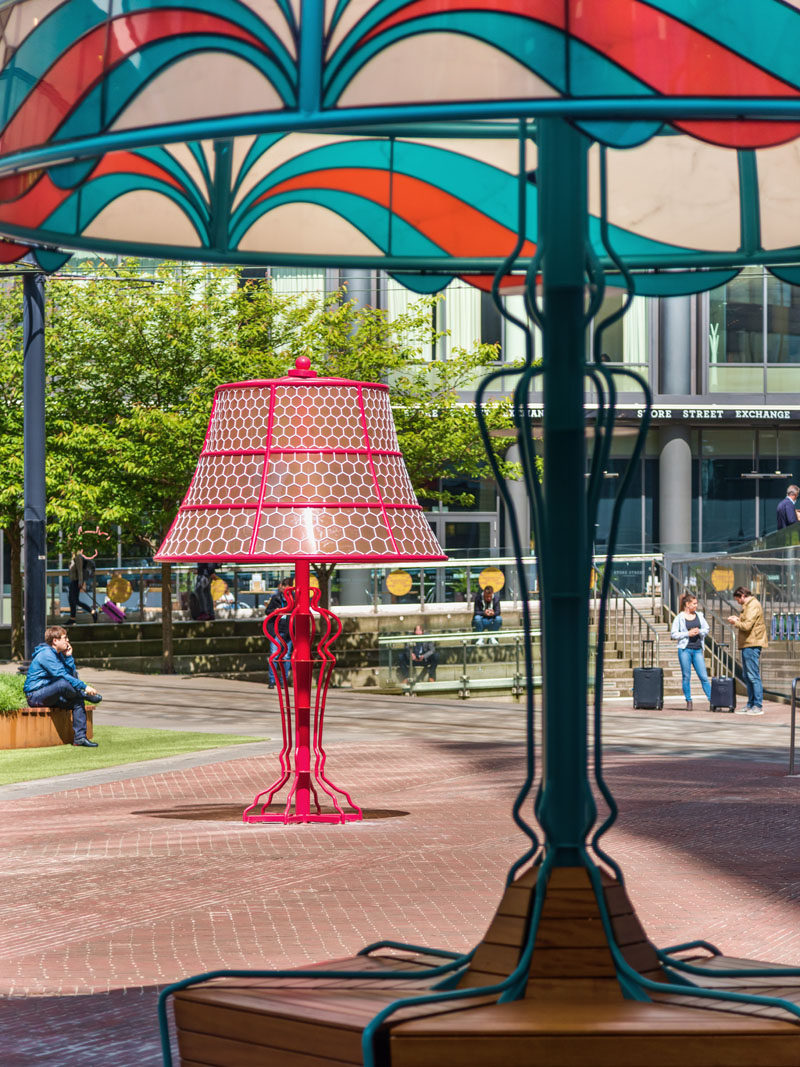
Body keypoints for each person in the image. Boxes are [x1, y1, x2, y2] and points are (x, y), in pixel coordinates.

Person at [24, 626, 102, 747]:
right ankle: (83, 694)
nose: (68, 641)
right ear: (55, 640)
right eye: (65, 638)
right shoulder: (46, 654)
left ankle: (80, 738)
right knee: (62, 683)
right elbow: (62, 676)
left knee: (77, 701)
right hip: (35, 696)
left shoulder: (59, 654)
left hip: (51, 695)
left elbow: (71, 676)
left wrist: (68, 657)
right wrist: (84, 687)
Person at [727, 586, 768, 715]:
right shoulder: (749, 605)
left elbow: (747, 626)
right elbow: (748, 622)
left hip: (752, 643)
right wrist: (738, 619)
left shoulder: (752, 605)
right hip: (748, 643)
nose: (737, 602)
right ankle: (750, 704)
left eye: (737, 599)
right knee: (747, 675)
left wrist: (735, 622)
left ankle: (757, 705)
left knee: (753, 675)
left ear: (742, 596)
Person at [670, 592, 711, 710]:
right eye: (694, 603)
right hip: (685, 650)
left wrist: (699, 631)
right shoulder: (679, 618)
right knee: (686, 676)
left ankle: (712, 700)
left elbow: (706, 628)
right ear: (687, 604)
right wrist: (687, 633)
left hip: (697, 649)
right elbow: (673, 634)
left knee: (703, 676)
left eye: (696, 603)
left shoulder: (699, 615)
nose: (696, 606)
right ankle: (688, 700)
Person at [265, 576, 293, 688]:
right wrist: (274, 611)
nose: (281, 587)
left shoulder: (294, 599)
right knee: (274, 655)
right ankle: (272, 681)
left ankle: (283, 681)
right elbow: (267, 611)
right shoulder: (276, 598)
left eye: (284, 585)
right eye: (282, 586)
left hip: (288, 631)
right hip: (276, 630)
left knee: (286, 656)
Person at [68, 551, 97, 625]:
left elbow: (80, 571)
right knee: (73, 600)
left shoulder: (78, 557)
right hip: (73, 581)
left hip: (76, 581)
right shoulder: (74, 557)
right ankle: (72, 619)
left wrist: (80, 582)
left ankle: (92, 612)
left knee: (74, 600)